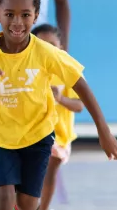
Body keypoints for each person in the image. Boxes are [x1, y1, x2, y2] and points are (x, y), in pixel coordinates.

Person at [0, 0, 117, 210]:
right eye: (9, 14)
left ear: (36, 15)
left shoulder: (45, 52)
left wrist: (104, 131)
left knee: (28, 203)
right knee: (3, 198)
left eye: (25, 15)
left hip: (37, 135)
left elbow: (81, 85)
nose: (17, 22)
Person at [31, 24, 83, 210]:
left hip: (58, 137)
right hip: (29, 134)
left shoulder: (66, 72)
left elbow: (79, 105)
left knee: (50, 168)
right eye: (43, 44)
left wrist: (60, 99)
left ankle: (42, 207)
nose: (48, 48)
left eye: (52, 44)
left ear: (61, 46)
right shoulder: (28, 72)